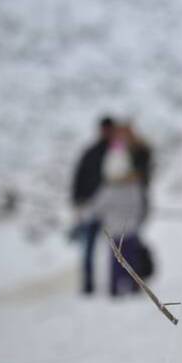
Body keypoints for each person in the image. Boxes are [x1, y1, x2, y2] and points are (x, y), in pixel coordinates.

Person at [82, 124, 154, 296]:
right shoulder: (134, 187)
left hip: (115, 232)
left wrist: (86, 213)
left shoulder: (108, 190)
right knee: (132, 259)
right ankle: (135, 287)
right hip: (131, 230)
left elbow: (96, 208)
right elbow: (140, 206)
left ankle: (115, 290)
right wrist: (139, 218)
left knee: (116, 263)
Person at [71, 116, 114, 294]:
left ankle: (115, 284)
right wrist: (78, 202)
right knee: (88, 248)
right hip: (91, 208)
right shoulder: (91, 153)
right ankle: (88, 285)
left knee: (116, 248)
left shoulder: (118, 152)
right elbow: (78, 178)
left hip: (113, 209)